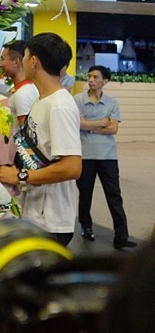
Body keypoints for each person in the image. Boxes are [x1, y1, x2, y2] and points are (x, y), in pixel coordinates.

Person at [0, 33, 82, 247]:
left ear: (33, 61)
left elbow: (72, 167)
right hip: (35, 213)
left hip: (51, 220)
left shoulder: (60, 106)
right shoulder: (43, 100)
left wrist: (20, 176)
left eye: (24, 56)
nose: (22, 62)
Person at [74, 65, 136, 249]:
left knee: (114, 195)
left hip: (108, 156)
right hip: (85, 155)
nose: (91, 79)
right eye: (89, 76)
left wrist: (89, 125)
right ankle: (86, 227)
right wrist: (100, 123)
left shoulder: (112, 102)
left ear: (105, 81)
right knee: (85, 195)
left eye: (95, 77)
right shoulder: (78, 100)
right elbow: (78, 124)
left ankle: (121, 236)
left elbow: (113, 128)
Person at [0, 40, 39, 127]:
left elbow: (25, 133)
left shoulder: (23, 93)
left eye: (2, 59)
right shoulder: (21, 89)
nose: (0, 64)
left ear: (16, 62)